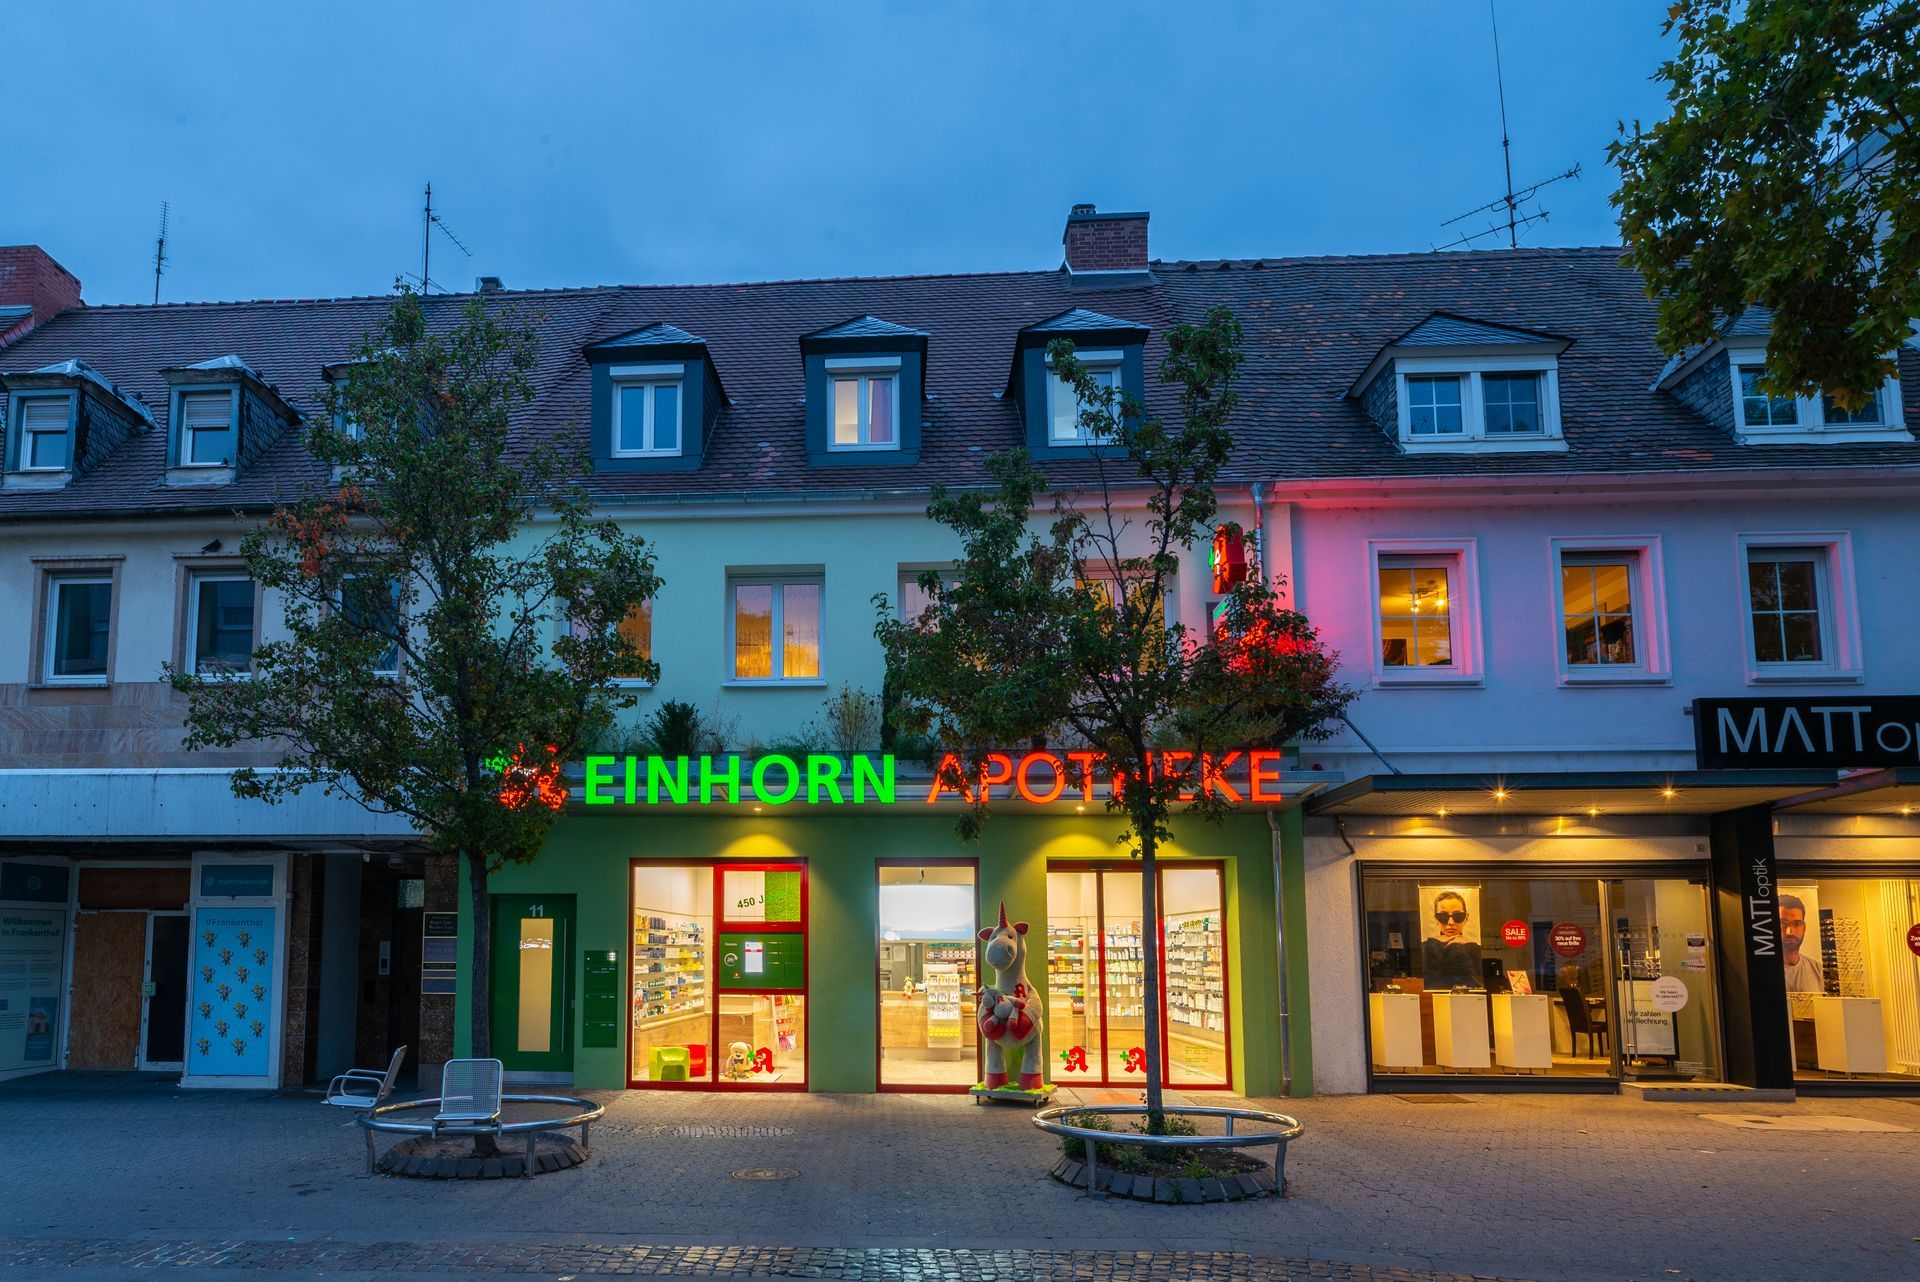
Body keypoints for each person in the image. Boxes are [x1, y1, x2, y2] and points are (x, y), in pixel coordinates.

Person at [1421, 890, 1484, 989]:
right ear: (1436, 919)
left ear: (1466, 918)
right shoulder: (1425, 947)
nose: (1451, 922)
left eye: (1458, 916)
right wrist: (1433, 944)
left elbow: (1478, 983)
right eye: (1443, 916)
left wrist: (1469, 946)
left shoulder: (1477, 949)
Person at [1779, 894, 1824, 993]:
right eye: (1783, 923)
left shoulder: (1818, 970)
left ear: (1804, 928)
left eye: (1796, 924)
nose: (1789, 932)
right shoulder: (1761, 970)